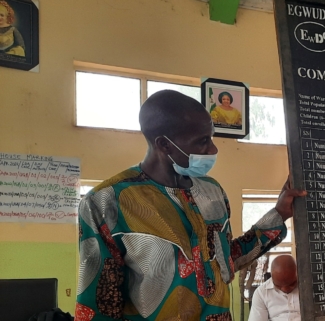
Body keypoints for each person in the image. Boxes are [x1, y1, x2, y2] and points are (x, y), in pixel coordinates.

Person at [75, 90, 306, 321]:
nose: (213, 149)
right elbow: (100, 304)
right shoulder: (106, 202)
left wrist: (279, 214)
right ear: (164, 144)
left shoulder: (212, 192)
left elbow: (225, 261)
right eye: (202, 141)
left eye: (211, 138)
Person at [249, 255, 301, 321]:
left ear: (298, 273)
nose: (285, 289)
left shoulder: (312, 287)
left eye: (291, 284)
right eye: (278, 285)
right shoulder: (261, 293)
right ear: (272, 277)